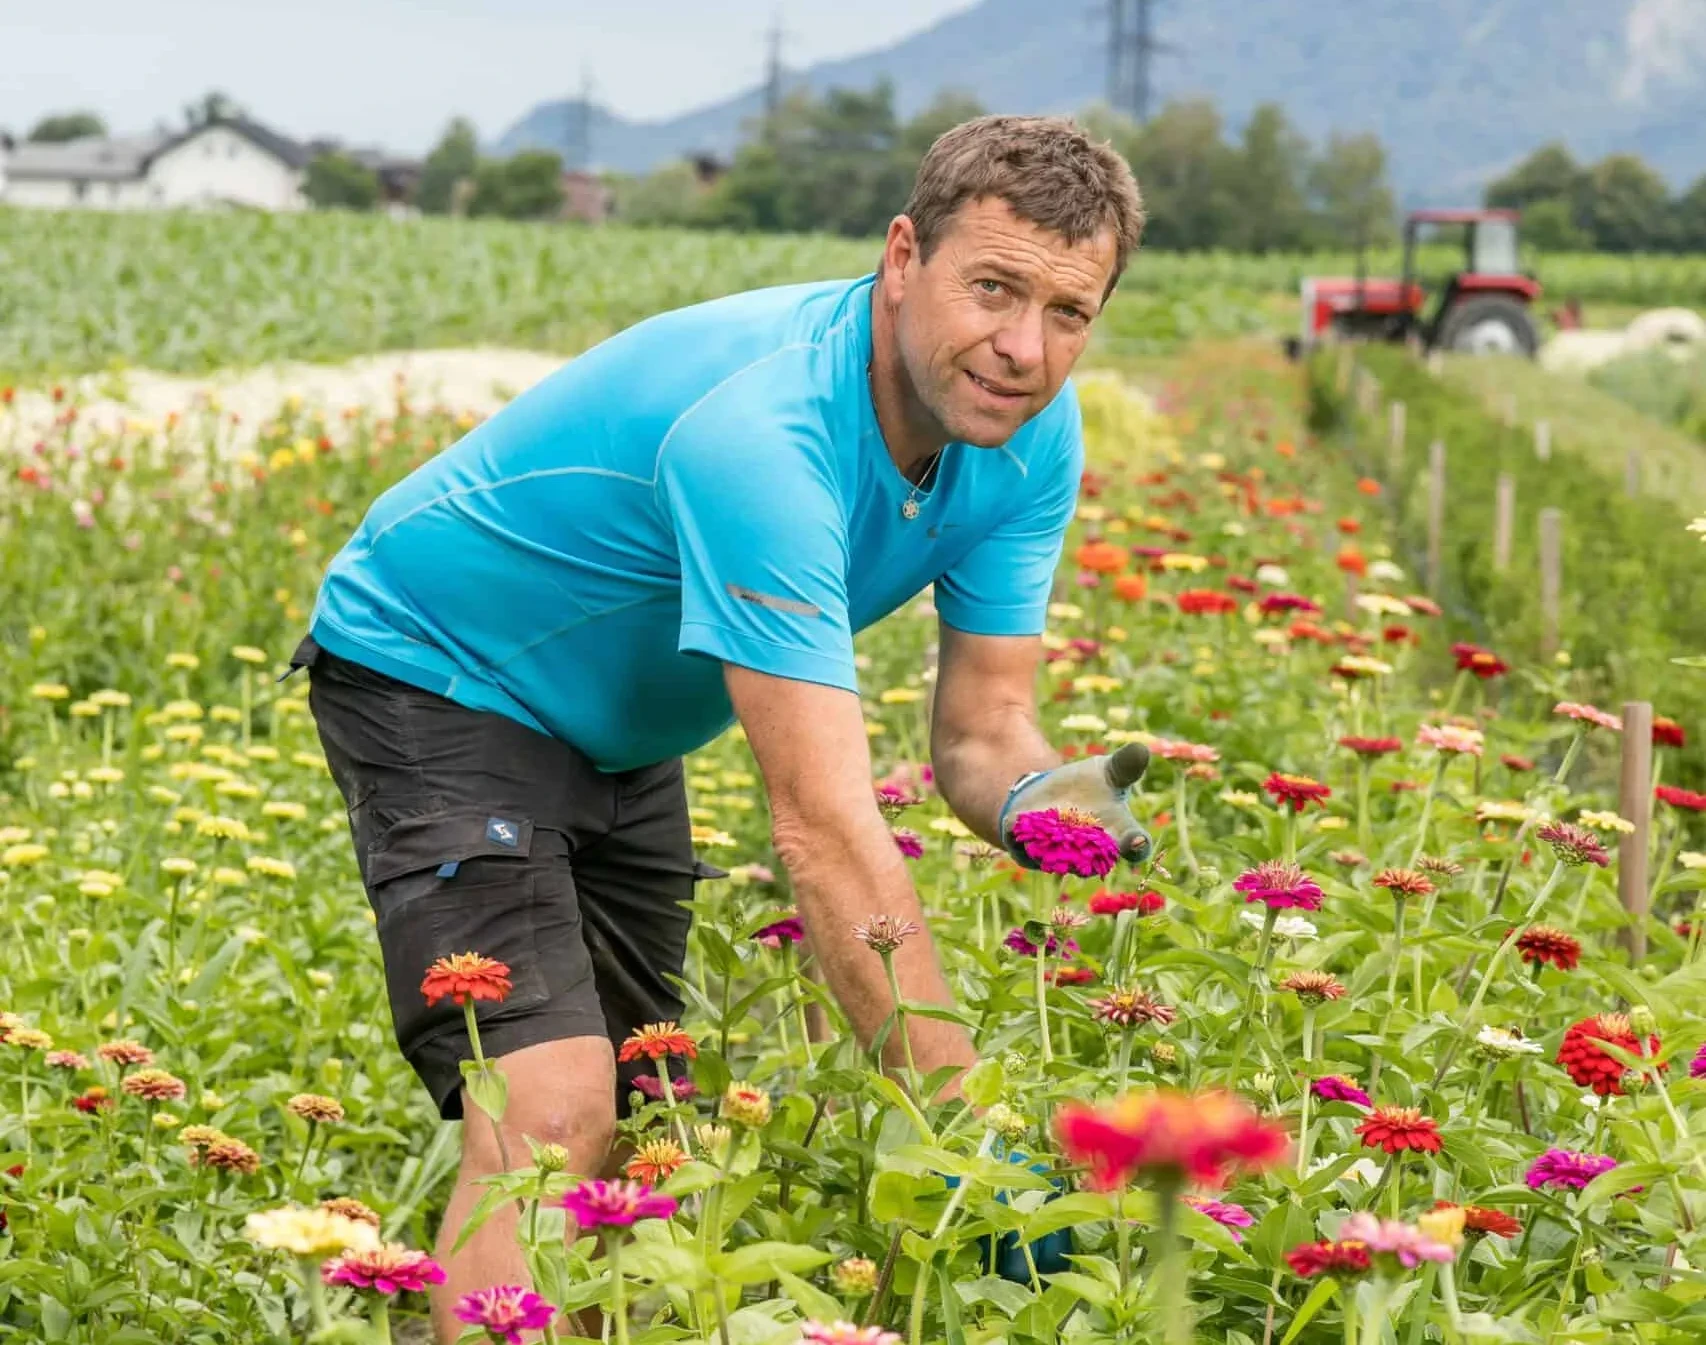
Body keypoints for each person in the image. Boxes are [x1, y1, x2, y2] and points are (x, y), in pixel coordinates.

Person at [290, 113, 1152, 1340]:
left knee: (646, 1119)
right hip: (441, 672)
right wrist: (963, 1136)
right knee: (546, 1111)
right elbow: (820, 829)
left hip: (621, 727)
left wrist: (1044, 803)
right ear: (903, 257)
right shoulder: (767, 435)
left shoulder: (1025, 436)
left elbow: (982, 728)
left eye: (1067, 312)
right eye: (993, 289)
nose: (1022, 347)